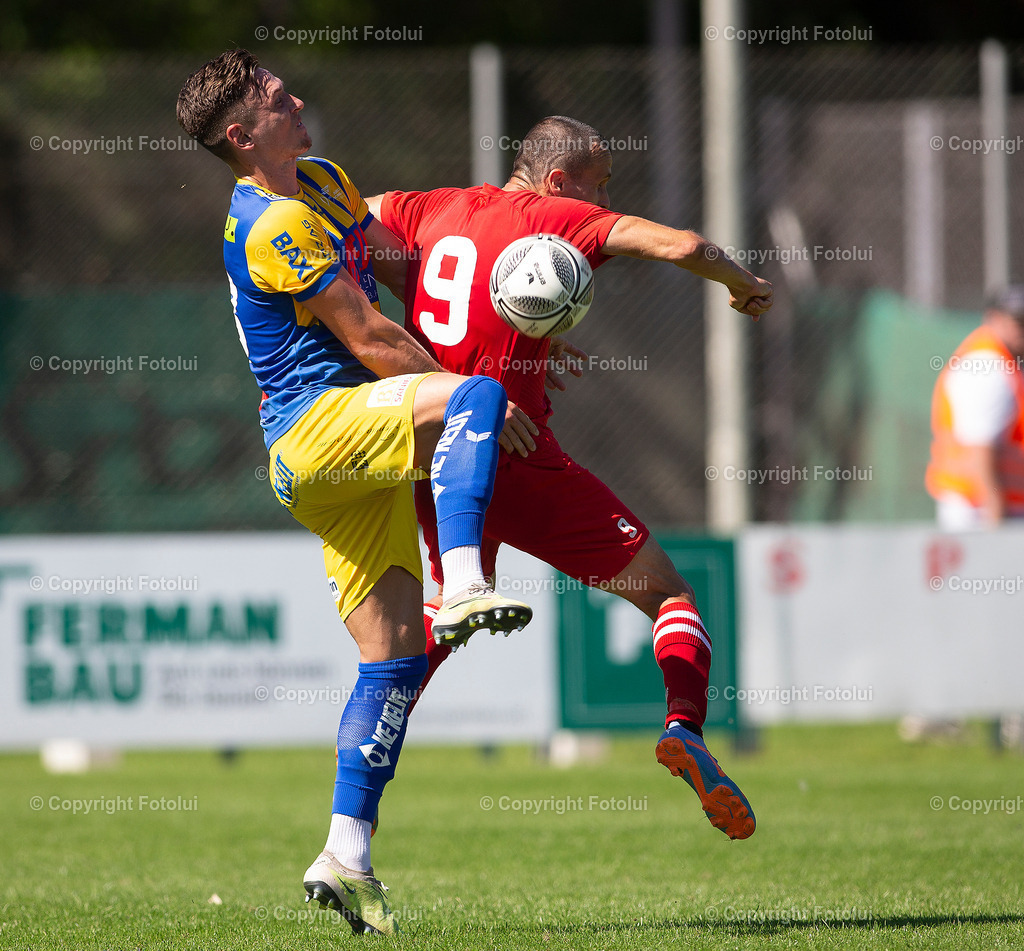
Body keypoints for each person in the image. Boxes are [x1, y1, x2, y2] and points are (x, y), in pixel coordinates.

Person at [175, 49, 535, 935]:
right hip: (316, 432)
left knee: (394, 659)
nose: (295, 99)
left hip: (350, 447)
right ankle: (468, 581)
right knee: (475, 400)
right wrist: (471, 393)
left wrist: (501, 277)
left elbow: (395, 264)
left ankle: (346, 850)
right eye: (272, 99)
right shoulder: (269, 223)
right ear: (241, 135)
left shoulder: (327, 183)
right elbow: (372, 336)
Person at [368, 116, 773, 841]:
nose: (604, 196)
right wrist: (741, 283)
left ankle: (369, 738)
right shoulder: (554, 217)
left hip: (427, 447)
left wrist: (518, 342)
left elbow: (354, 226)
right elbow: (682, 245)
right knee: (668, 592)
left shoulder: (429, 209)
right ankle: (684, 727)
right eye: (599, 183)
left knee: (441, 617)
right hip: (512, 454)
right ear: (559, 181)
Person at [926, 286, 1024, 529]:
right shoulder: (987, 366)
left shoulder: (1007, 359)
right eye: (1018, 321)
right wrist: (995, 518)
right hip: (978, 511)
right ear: (993, 318)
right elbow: (980, 452)